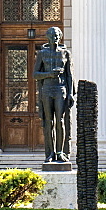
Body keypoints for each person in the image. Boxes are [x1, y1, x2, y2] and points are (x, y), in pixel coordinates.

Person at [33, 26, 74, 162]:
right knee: (48, 122)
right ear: (48, 37)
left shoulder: (65, 53)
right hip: (47, 89)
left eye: (57, 35)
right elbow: (35, 74)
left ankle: (61, 152)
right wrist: (49, 74)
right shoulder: (42, 54)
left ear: (60, 36)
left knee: (60, 121)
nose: (54, 37)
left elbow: (69, 75)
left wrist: (70, 94)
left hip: (60, 89)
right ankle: (50, 153)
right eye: (52, 35)